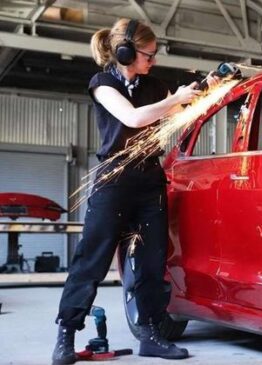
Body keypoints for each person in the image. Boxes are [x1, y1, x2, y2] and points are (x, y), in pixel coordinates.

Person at [52, 18, 216, 365]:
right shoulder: (102, 83)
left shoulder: (154, 85)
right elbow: (134, 118)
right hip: (114, 180)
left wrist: (204, 89)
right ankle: (66, 334)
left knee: (151, 262)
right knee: (91, 260)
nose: (152, 62)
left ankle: (151, 335)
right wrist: (176, 100)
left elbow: (180, 109)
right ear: (125, 52)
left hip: (149, 181)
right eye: (148, 55)